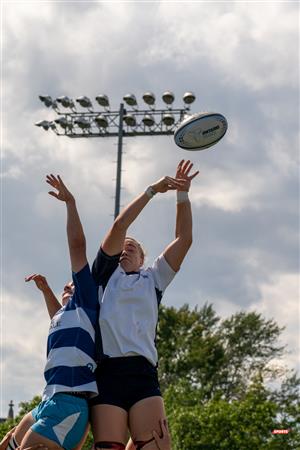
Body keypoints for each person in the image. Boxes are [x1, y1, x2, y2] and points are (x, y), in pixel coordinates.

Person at [90, 160, 198, 450]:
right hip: (107, 373)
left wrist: (182, 195)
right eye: (122, 246)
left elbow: (184, 239)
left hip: (142, 375)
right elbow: (120, 224)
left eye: (133, 247)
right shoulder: (102, 277)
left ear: (142, 259)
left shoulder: (153, 279)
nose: (125, 248)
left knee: (156, 447)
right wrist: (152, 190)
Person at [12, 175, 100, 450]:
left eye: (71, 283)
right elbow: (56, 318)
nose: (68, 283)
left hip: (68, 403)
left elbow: (77, 246)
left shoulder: (86, 304)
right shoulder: (66, 316)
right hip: (47, 401)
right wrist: (46, 290)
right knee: (7, 444)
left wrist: (71, 204)